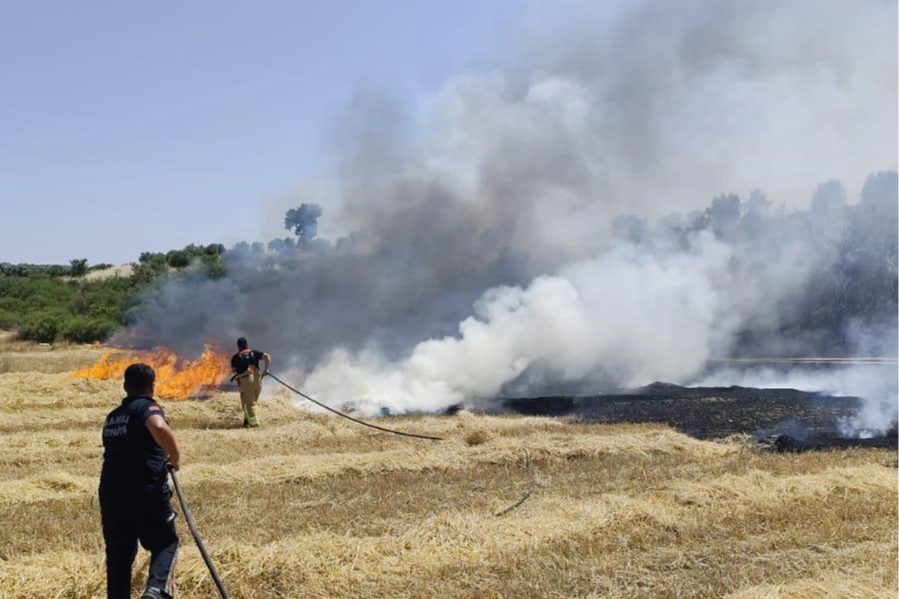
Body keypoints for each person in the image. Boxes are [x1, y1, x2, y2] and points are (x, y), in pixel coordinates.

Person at [99, 363, 181, 599]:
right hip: (146, 492)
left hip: (111, 496)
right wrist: (175, 458)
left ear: (125, 386)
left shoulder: (113, 417)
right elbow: (157, 426)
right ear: (152, 386)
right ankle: (156, 591)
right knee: (166, 544)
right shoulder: (147, 407)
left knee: (119, 558)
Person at [230, 337, 271, 427]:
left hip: (246, 381)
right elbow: (267, 356)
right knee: (252, 402)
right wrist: (266, 369)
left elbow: (233, 370)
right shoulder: (254, 353)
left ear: (238, 346)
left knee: (248, 404)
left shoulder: (236, 357)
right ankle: (247, 421)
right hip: (257, 381)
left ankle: (254, 425)